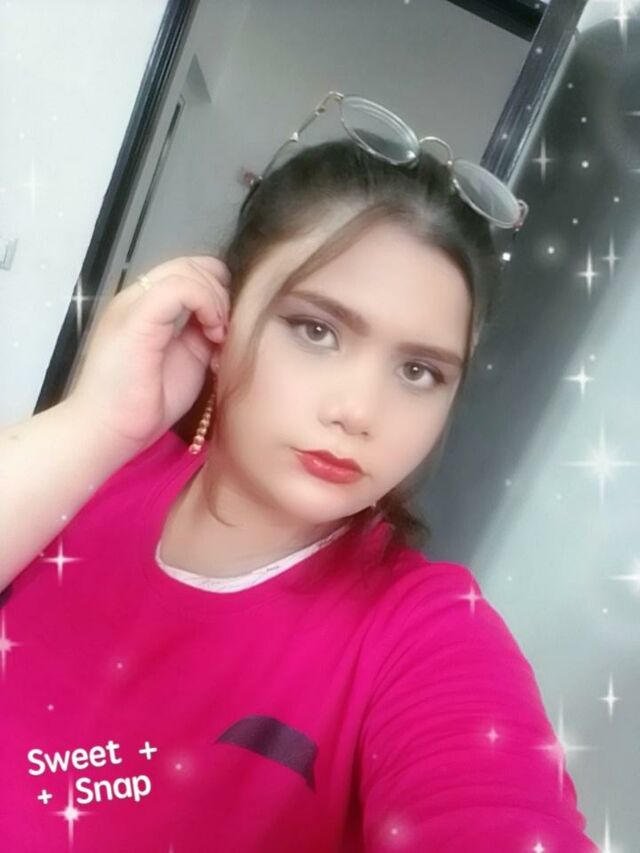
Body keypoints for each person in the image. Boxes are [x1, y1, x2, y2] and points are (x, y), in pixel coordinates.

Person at [0, 93, 599, 852]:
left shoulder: (425, 635)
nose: (358, 411)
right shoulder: (94, 474)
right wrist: (96, 423)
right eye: (316, 329)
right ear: (221, 314)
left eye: (419, 371)